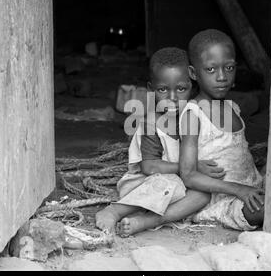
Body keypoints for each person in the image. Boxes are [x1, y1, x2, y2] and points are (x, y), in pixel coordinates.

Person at [95, 47, 222, 239]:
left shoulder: (194, 116)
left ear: (193, 86)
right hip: (146, 184)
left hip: (182, 183)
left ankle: (147, 221)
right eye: (163, 90)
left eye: (181, 89)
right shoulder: (151, 124)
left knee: (203, 194)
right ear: (151, 89)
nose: (172, 98)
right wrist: (192, 167)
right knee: (168, 183)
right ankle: (115, 211)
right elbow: (149, 166)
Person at [179, 29, 265, 231]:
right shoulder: (194, 114)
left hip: (252, 188)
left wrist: (248, 187)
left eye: (229, 67)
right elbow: (188, 175)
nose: (221, 77)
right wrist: (238, 189)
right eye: (210, 70)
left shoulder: (232, 108)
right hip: (221, 200)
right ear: (193, 73)